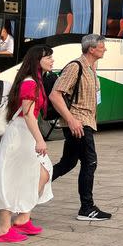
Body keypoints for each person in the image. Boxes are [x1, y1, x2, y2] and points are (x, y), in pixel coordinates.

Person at [0, 46, 54, 243]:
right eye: (48, 57)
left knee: (41, 174)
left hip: (25, 134)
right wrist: (40, 139)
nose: (52, 60)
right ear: (36, 61)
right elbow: (29, 114)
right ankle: (3, 229)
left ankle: (23, 217)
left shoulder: (35, 81)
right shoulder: (30, 83)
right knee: (12, 179)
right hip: (20, 135)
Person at [48, 34, 112, 222]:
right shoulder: (75, 67)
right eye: (102, 46)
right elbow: (55, 95)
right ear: (91, 49)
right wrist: (71, 120)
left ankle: (33, 184)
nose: (105, 49)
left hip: (84, 122)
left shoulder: (90, 68)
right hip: (78, 123)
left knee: (67, 163)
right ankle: (87, 208)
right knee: (90, 163)